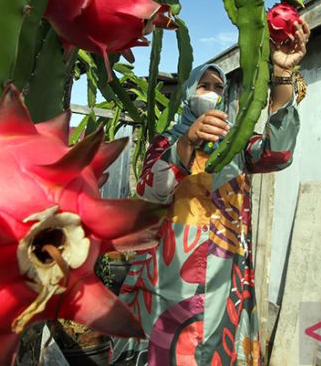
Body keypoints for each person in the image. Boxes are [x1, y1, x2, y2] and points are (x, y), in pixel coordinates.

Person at [111, 19, 310, 365]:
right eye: (204, 85)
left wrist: (281, 73)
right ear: (189, 93)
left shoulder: (237, 146)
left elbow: (278, 153)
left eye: (219, 87)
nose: (213, 92)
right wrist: (188, 142)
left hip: (225, 286)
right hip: (168, 284)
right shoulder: (167, 142)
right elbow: (152, 190)